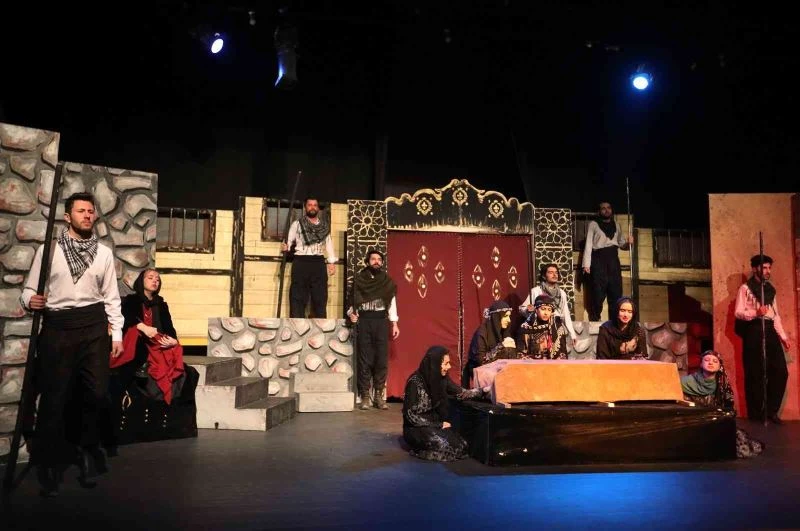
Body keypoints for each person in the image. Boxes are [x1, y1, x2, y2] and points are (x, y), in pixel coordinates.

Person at [21, 192, 124, 496]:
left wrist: (117, 334)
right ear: (67, 217)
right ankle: (49, 465)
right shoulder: (49, 250)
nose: (87, 215)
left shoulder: (103, 253)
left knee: (97, 393)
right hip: (58, 327)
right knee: (54, 398)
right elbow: (28, 289)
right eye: (81, 211)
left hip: (93, 326)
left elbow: (111, 297)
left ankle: (85, 448)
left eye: (91, 211)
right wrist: (30, 300)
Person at [113, 269, 186, 406]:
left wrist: (173, 339)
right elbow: (126, 319)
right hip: (139, 339)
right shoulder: (131, 300)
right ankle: (141, 366)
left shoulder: (161, 304)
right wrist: (142, 327)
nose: (155, 281)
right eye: (150, 278)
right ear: (142, 281)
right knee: (137, 335)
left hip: (156, 340)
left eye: (157, 279)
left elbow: (169, 327)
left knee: (175, 349)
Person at [734, 254, 791, 424]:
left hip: (770, 329)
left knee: (780, 371)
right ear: (755, 269)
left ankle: (771, 411)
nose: (768, 271)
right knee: (755, 372)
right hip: (754, 329)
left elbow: (775, 315)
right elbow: (738, 312)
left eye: (769, 268)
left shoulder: (770, 290)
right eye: (764, 267)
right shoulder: (745, 288)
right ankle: (757, 414)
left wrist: (783, 336)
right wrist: (755, 313)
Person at [402, 346, 485, 461]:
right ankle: (419, 451)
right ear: (435, 364)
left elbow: (461, 393)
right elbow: (411, 416)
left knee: (462, 445)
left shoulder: (442, 379)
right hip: (416, 428)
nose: (449, 367)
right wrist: (438, 425)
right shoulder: (415, 382)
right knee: (446, 448)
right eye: (446, 363)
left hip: (435, 425)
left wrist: (483, 391)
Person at [680, 350, 764, 458]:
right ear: (701, 364)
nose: (711, 363)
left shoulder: (722, 385)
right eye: (707, 360)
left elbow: (728, 409)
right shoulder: (687, 382)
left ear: (719, 366)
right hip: (694, 421)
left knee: (737, 442)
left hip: (715, 421)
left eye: (715, 361)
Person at [348, 249, 399, 410]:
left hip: (381, 321)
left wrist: (394, 323)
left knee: (381, 359)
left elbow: (391, 302)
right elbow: (352, 301)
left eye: (379, 259)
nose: (376, 261)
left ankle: (378, 396)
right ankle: (364, 395)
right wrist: (351, 314)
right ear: (367, 261)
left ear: (382, 263)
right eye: (373, 259)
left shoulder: (386, 282)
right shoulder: (359, 280)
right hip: (364, 321)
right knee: (364, 358)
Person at [281, 197, 336, 318]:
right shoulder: (297, 224)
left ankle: (320, 323)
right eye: (310, 205)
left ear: (318, 208)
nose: (312, 207)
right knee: (298, 294)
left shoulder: (324, 226)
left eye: (315, 205)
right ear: (305, 207)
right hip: (301, 261)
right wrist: (286, 247)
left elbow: (329, 244)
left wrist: (331, 262)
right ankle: (297, 321)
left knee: (320, 295)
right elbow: (288, 241)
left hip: (318, 262)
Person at [582, 201, 633, 321]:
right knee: (598, 292)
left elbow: (622, 244)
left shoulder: (617, 225)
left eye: (608, 207)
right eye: (603, 208)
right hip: (598, 259)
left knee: (615, 291)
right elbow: (588, 244)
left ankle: (615, 322)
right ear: (599, 211)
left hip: (613, 259)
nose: (606, 210)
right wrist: (586, 264)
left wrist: (628, 243)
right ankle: (595, 319)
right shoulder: (593, 224)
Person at [519, 263, 577, 346]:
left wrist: (572, 334)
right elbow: (522, 309)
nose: (554, 275)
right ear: (544, 275)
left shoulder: (562, 293)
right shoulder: (536, 291)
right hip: (539, 328)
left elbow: (566, 314)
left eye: (556, 272)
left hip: (556, 328)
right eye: (550, 272)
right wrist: (528, 309)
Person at [462, 300, 517, 386]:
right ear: (496, 317)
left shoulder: (504, 331)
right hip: (482, 374)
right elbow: (481, 362)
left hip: (500, 373)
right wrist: (501, 347)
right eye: (505, 316)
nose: (509, 320)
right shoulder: (482, 333)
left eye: (509, 316)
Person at [517, 294, 569, 359]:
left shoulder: (556, 326)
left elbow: (562, 352)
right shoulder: (525, 328)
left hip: (553, 363)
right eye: (543, 309)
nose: (546, 313)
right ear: (536, 309)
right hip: (531, 363)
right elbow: (521, 353)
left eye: (549, 310)